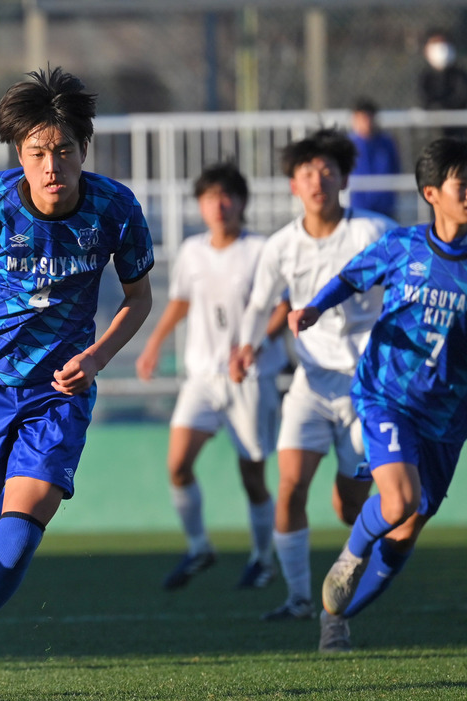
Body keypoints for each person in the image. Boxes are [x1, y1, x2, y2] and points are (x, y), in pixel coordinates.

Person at [0, 67, 153, 700]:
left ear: (81, 151)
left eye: (63, 151)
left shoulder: (115, 208)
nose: (51, 166)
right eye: (38, 153)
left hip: (59, 393)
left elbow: (138, 297)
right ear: (19, 154)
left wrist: (96, 358)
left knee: (16, 538)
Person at [288, 138, 467, 652]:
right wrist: (313, 308)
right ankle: (350, 555)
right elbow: (350, 277)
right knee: (397, 501)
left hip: (448, 417)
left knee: (406, 531)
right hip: (386, 394)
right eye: (461, 183)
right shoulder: (402, 246)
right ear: (432, 192)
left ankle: (336, 616)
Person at [231, 128, 396, 622]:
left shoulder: (374, 232)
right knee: (289, 487)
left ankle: (349, 515)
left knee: (351, 508)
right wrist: (246, 346)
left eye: (327, 170)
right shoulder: (281, 244)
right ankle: (300, 598)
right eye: (307, 173)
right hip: (311, 382)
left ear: (346, 177)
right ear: (292, 185)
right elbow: (260, 304)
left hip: (367, 387)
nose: (317, 180)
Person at [136, 162, 287, 592]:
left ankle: (262, 559)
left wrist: (254, 345)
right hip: (201, 376)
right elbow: (180, 301)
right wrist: (154, 344)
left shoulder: (262, 250)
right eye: (209, 198)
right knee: (178, 465)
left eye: (226, 196)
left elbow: (283, 307)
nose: (218, 205)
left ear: (241, 201)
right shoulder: (191, 251)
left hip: (251, 377)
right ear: (200, 205)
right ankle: (200, 547)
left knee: (252, 476)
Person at [348, 97, 401, 220]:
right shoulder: (348, 145)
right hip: (358, 209)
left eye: (369, 118)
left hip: (384, 208)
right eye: (362, 118)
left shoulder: (387, 143)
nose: (366, 122)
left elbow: (396, 168)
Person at [418, 30, 467, 139]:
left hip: (460, 131)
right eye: (435, 44)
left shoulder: (461, 76)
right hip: (431, 134)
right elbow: (423, 100)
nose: (441, 49)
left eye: (444, 44)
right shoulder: (424, 78)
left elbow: (462, 96)